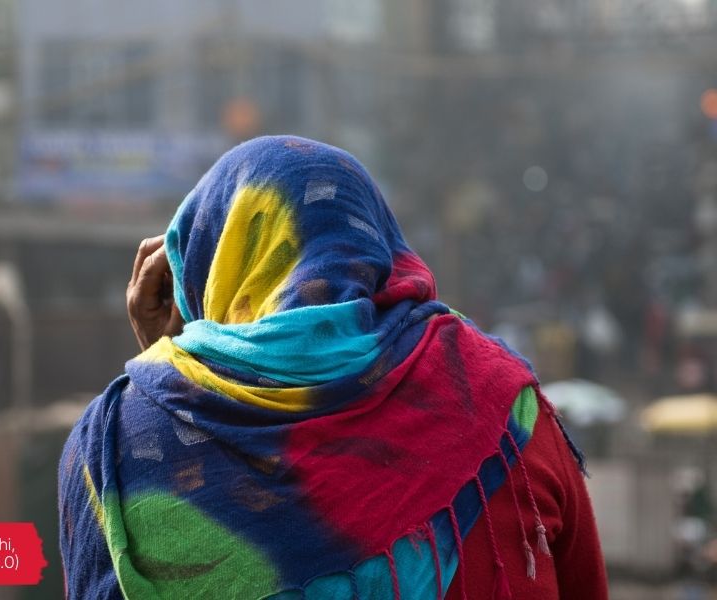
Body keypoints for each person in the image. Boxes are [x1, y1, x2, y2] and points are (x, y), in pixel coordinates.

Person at [59, 136, 606, 599]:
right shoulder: (504, 405)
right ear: (380, 243)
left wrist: (162, 373)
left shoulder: (112, 446)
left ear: (207, 268)